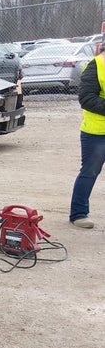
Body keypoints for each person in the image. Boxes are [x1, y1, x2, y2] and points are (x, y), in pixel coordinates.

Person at [68, 44, 105, 229]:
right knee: (90, 171)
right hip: (97, 133)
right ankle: (79, 213)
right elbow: (87, 99)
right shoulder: (95, 65)